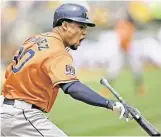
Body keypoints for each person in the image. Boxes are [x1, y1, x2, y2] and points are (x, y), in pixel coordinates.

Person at [0, 3, 131, 136]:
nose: (85, 32)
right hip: (22, 116)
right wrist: (109, 104)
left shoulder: (34, 39)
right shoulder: (58, 50)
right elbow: (72, 87)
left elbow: (9, 73)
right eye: (81, 26)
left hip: (4, 108)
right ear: (65, 26)